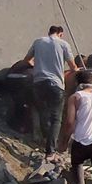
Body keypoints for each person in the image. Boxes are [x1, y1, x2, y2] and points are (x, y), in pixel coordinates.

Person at [23, 26, 74, 156]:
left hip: (39, 83)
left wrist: (37, 67)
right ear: (60, 34)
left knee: (43, 112)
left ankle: (44, 139)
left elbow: (27, 60)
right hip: (55, 84)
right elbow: (73, 66)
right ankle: (50, 150)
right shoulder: (64, 44)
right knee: (56, 118)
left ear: (49, 32)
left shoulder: (38, 41)